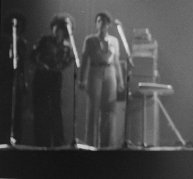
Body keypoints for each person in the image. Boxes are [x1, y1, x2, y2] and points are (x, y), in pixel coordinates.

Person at [79, 11, 124, 147]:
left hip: (110, 71)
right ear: (96, 24)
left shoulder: (114, 41)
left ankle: (106, 144)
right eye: (99, 21)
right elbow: (84, 60)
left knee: (109, 109)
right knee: (93, 109)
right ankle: (91, 144)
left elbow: (116, 61)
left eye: (104, 21)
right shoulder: (89, 40)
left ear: (108, 24)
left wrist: (120, 80)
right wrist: (82, 79)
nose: (101, 24)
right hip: (95, 71)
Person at [31, 14, 75, 146]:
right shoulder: (45, 40)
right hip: (42, 76)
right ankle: (41, 141)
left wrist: (60, 67)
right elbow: (33, 56)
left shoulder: (67, 45)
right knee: (41, 109)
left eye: (58, 29)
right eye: (54, 28)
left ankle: (58, 141)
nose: (55, 31)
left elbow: (70, 60)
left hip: (55, 77)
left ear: (63, 30)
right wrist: (41, 65)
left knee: (55, 109)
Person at [0, 13, 28, 144]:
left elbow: (23, 64)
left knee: (17, 110)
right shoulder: (4, 40)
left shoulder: (22, 42)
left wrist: (24, 80)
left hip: (17, 79)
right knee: (5, 109)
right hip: (5, 79)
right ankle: (4, 138)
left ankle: (17, 138)